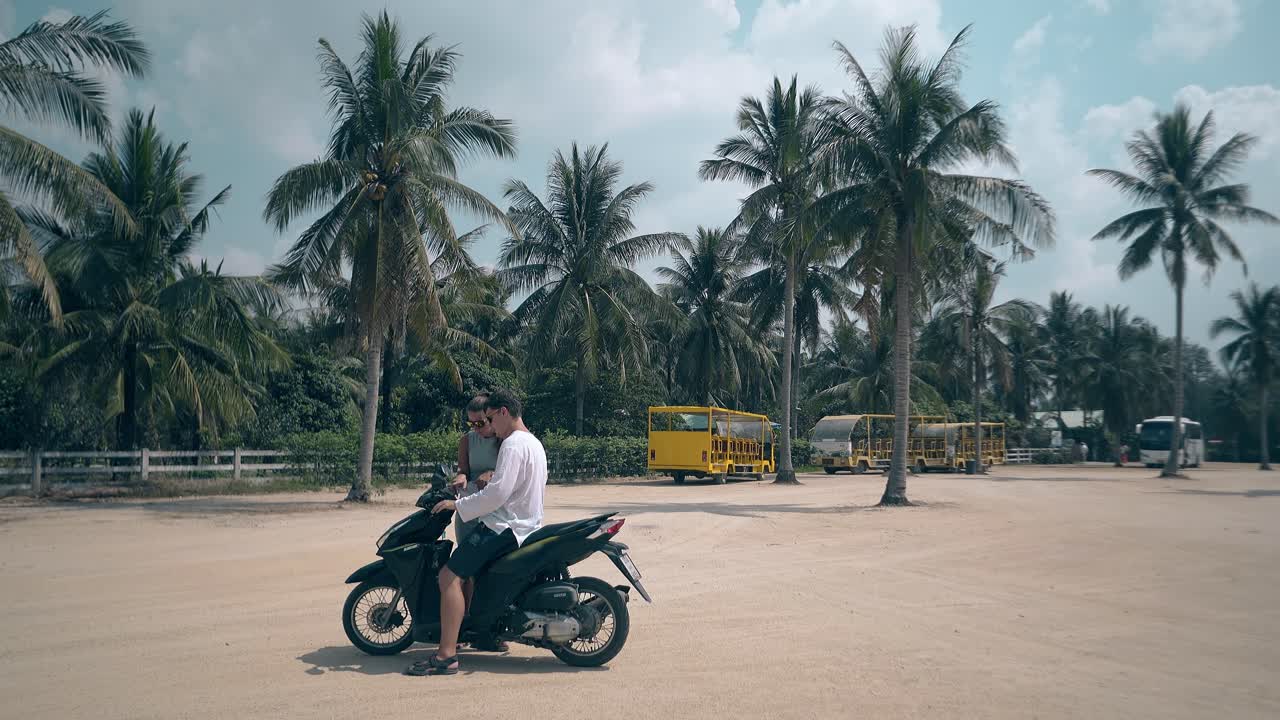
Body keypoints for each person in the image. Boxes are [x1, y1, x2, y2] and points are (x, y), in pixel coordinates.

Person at [408, 389, 547, 677]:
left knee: (448, 576)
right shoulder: (534, 443)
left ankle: (446, 656)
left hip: (502, 527)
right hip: (524, 525)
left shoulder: (512, 444)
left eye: (490, 419)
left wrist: (457, 504)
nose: (490, 426)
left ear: (504, 413)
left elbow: (497, 494)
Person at [450, 394, 500, 617]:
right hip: (469, 507)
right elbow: (463, 470)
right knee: (466, 567)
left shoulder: (506, 441)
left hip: (496, 510)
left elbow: (514, 474)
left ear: (491, 418)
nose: (476, 428)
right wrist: (460, 477)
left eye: (480, 422)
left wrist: (492, 474)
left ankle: (490, 624)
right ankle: (465, 622)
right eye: (471, 423)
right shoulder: (467, 440)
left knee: (493, 568)